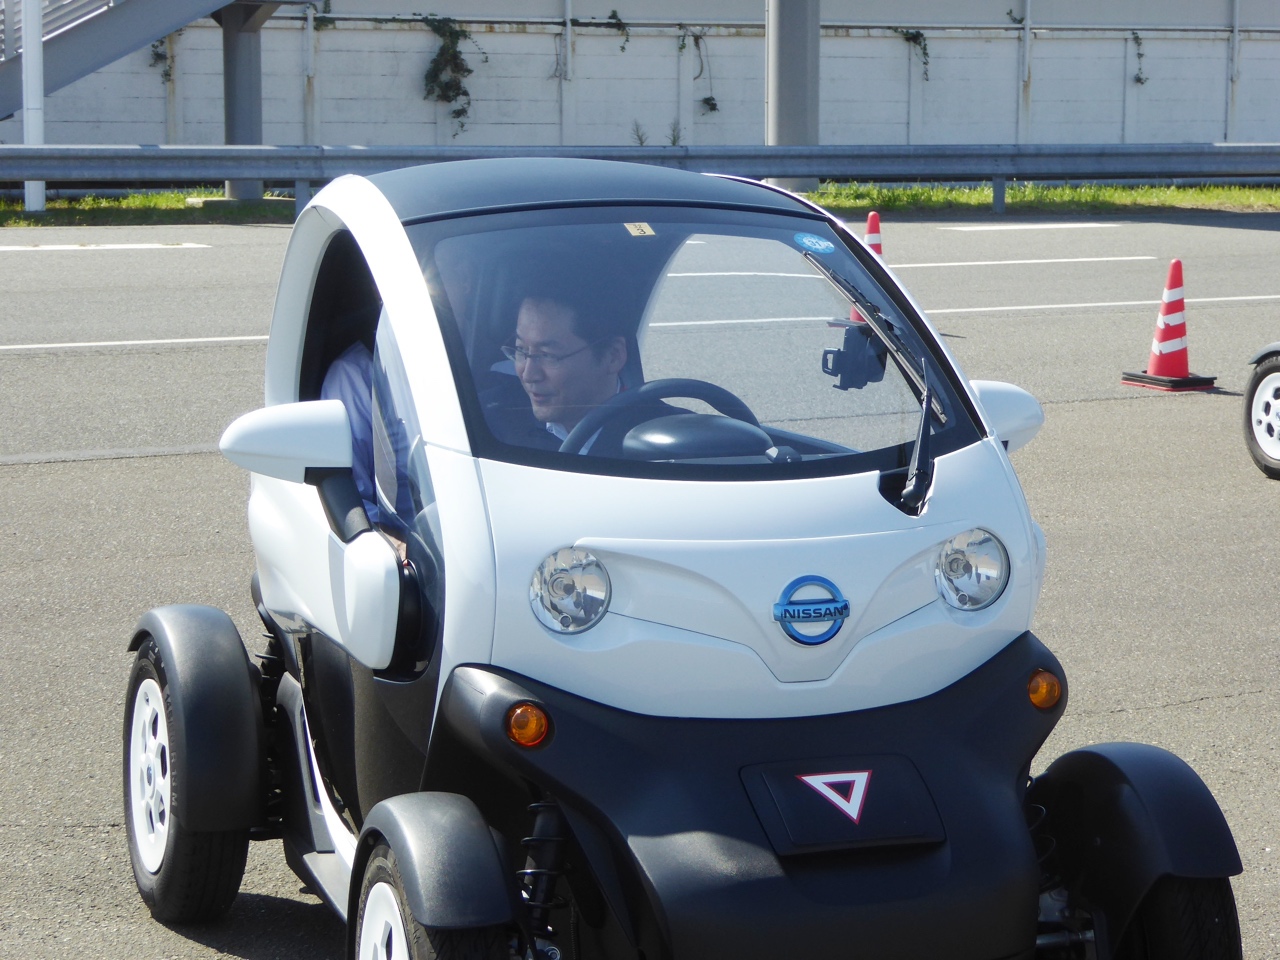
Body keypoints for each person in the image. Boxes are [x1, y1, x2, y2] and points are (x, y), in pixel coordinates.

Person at [484, 296, 629, 451]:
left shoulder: (653, 438)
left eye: (548, 355)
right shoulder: (485, 424)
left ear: (613, 356)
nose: (528, 375)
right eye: (521, 350)